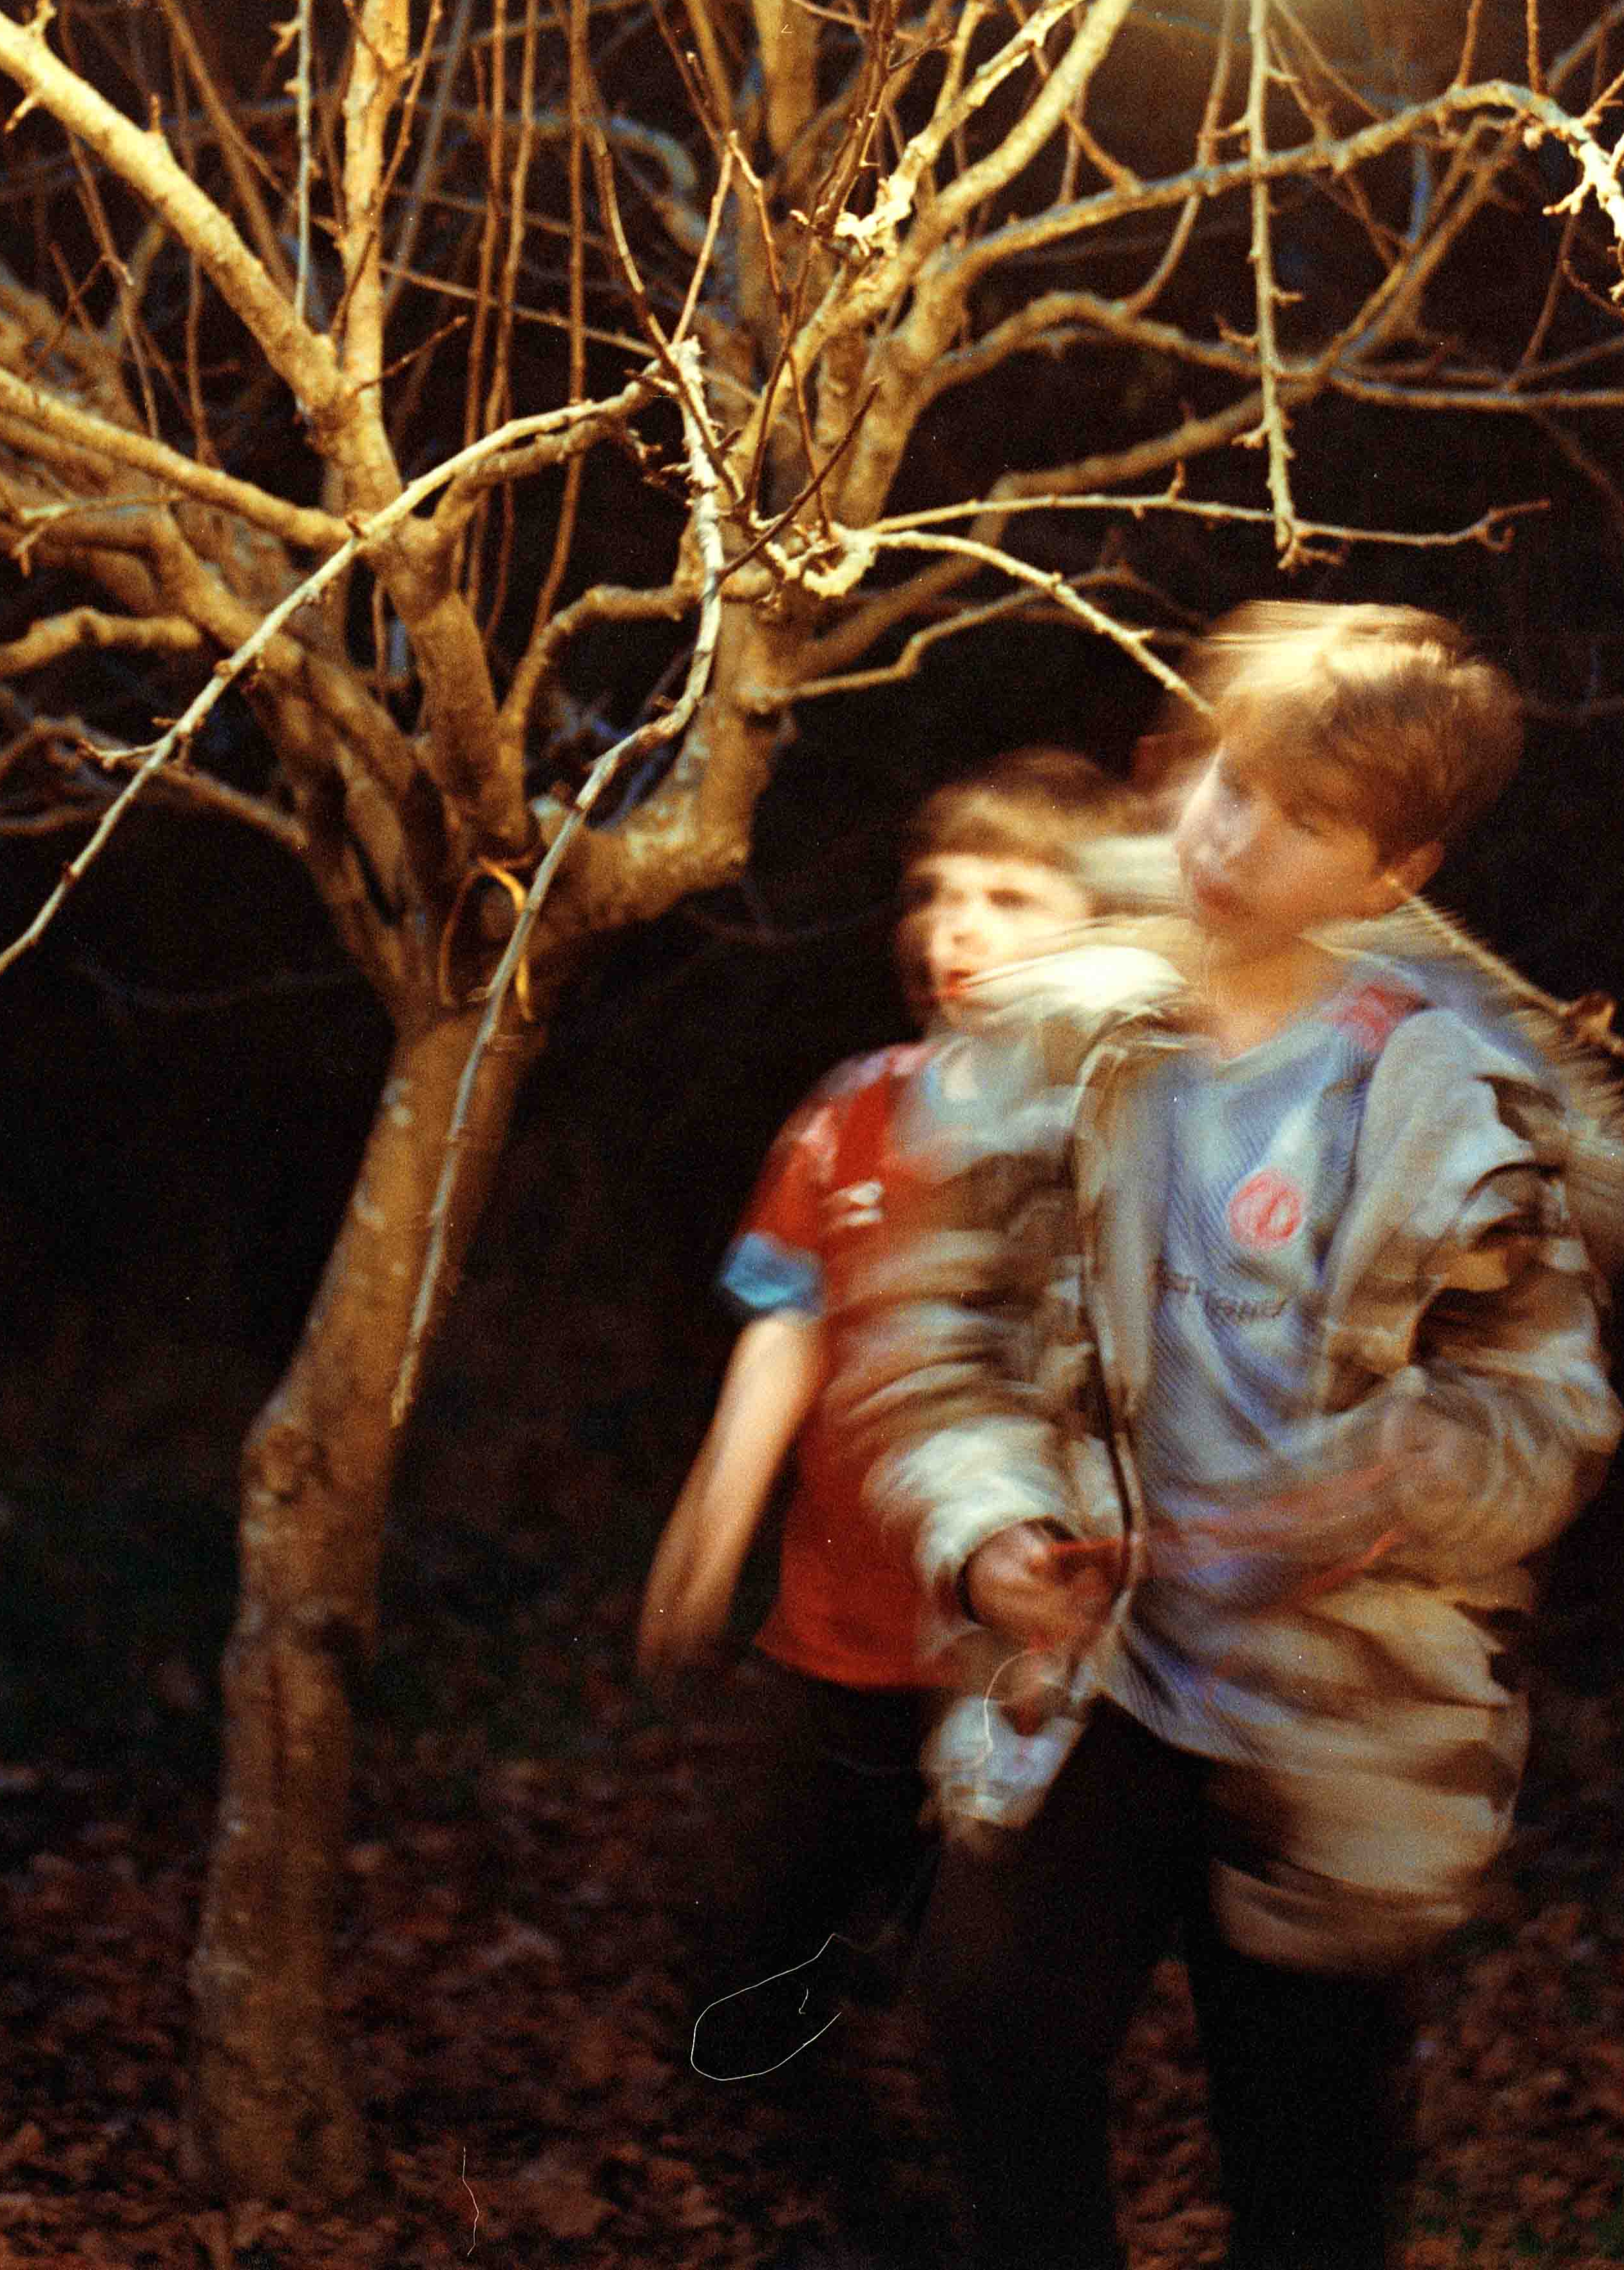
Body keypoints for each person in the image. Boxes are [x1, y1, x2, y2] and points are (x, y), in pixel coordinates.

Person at [847, 603, 1624, 2270]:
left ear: (1393, 873)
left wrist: (1399, 1487)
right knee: (994, 2023)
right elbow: (935, 1337)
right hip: (1094, 1683)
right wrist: (991, 1525)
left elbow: (1548, 1406)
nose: (1235, 835)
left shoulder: (1448, 1097)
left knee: (1308, 2155)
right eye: (1226, 782)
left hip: (1340, 1713)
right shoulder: (1054, 1037)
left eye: (1303, 818)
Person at [638, 745, 1131, 2269]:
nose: (952, 928)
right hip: (837, 1642)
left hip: (1025, 1666)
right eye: (932, 893)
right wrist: (712, 1524)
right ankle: (887, 2224)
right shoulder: (854, 1106)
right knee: (741, 1966)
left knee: (985, 2007)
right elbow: (785, 1323)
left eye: (1005, 895)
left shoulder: (1124, 1121)